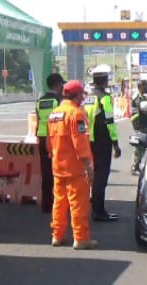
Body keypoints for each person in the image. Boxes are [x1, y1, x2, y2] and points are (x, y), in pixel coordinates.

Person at [47, 80, 97, 250]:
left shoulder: (54, 114)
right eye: (81, 95)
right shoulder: (76, 114)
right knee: (78, 203)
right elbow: (81, 143)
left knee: (59, 203)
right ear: (76, 96)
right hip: (75, 168)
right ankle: (81, 238)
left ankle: (57, 235)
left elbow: (49, 143)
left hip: (57, 166)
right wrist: (88, 165)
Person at [84, 66, 121, 222]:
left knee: (95, 176)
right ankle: (99, 212)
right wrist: (115, 144)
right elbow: (109, 121)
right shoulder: (105, 98)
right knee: (101, 178)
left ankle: (95, 209)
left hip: (90, 141)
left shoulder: (89, 98)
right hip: (102, 142)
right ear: (105, 82)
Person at [36, 73, 65, 213]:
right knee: (59, 173)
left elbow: (38, 118)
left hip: (42, 138)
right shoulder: (59, 100)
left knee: (46, 173)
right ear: (58, 84)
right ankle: (59, 205)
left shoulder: (40, 101)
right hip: (56, 139)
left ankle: (46, 205)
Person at [130, 80, 147, 175]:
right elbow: (135, 114)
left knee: (143, 146)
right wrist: (138, 126)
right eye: (146, 86)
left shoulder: (143, 97)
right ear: (141, 87)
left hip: (145, 124)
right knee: (139, 146)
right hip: (140, 125)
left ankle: (138, 165)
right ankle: (134, 166)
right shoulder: (137, 98)